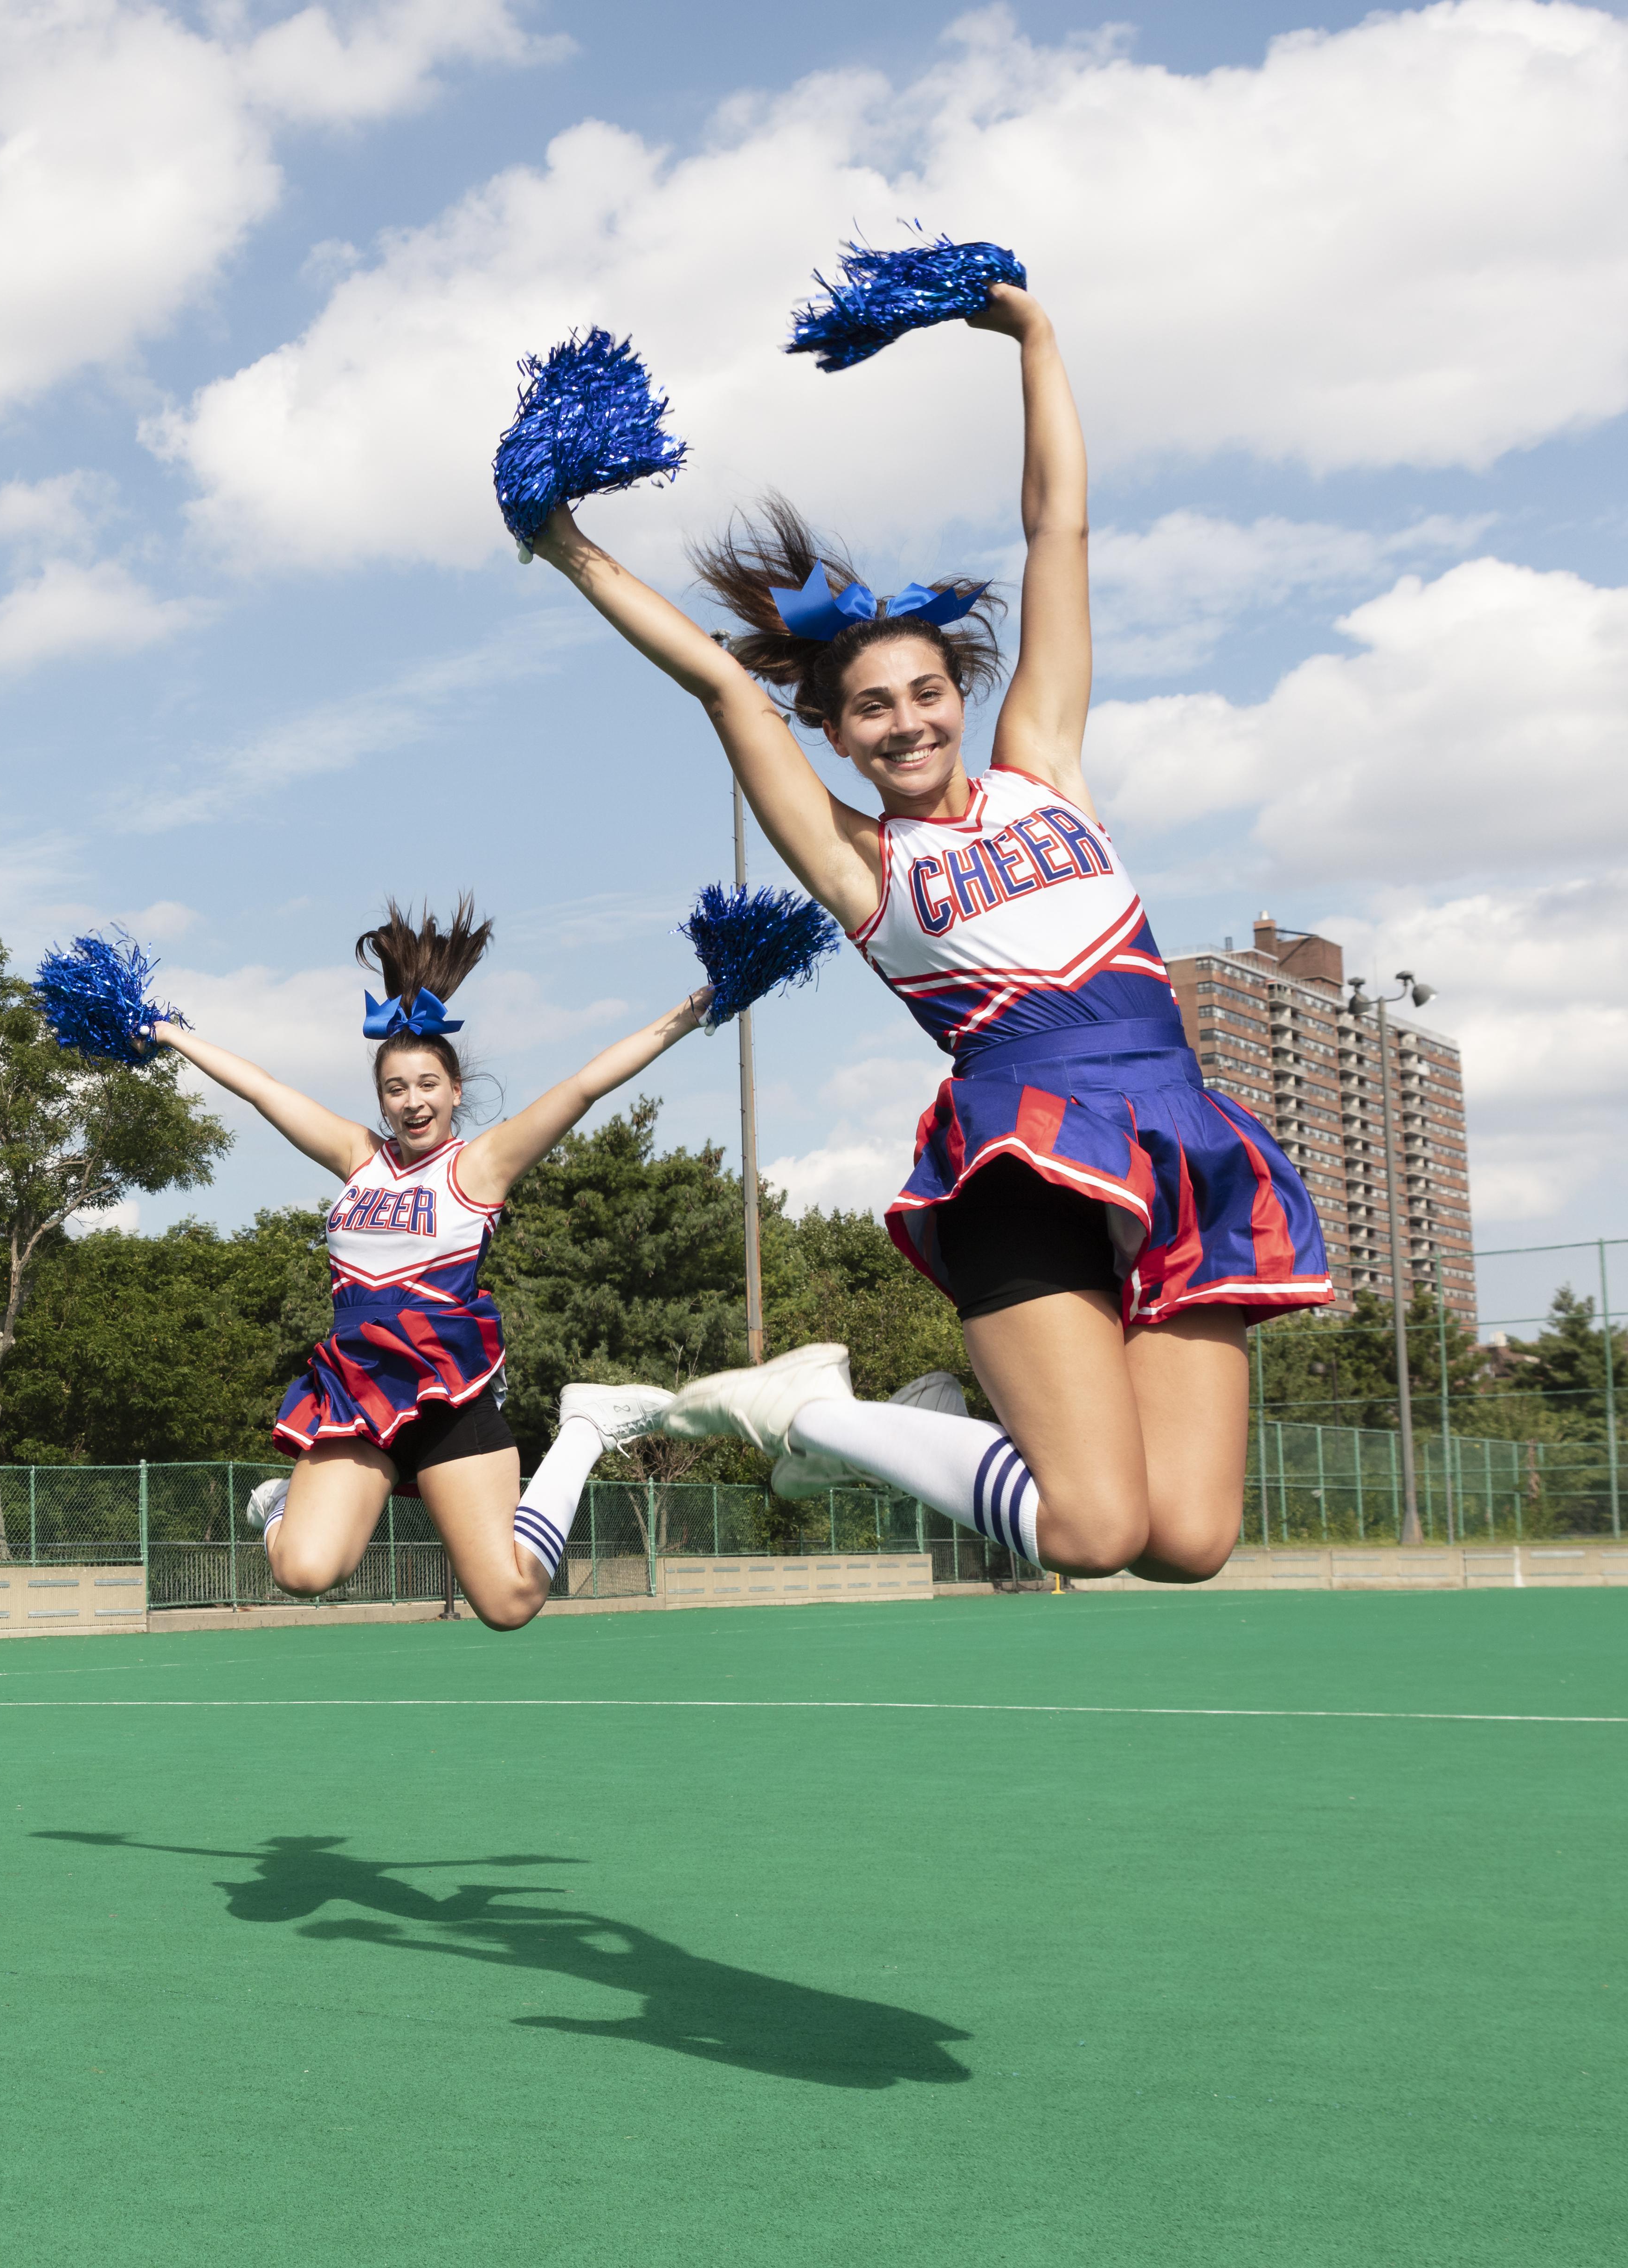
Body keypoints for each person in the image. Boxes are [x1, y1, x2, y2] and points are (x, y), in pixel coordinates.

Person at [525, 279, 1326, 1580]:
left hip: (1182, 1140)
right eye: (871, 710)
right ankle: (815, 1412)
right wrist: (566, 545)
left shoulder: (1044, 770)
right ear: (835, 732)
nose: (907, 722)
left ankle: (917, 1418)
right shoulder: (862, 865)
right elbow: (722, 680)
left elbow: (1056, 526)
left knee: (1188, 1541)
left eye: (926, 692)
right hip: (1024, 1159)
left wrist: (1036, 337)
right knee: (1090, 1530)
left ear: (964, 691)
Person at [154, 901, 707, 1628]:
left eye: (426, 1086)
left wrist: (694, 1010)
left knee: (510, 1603)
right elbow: (262, 1089)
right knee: (301, 1570)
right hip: (356, 1390)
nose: (412, 1103)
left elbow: (585, 1086)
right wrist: (170, 1034)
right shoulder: (358, 1159)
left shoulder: (478, 1167)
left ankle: (585, 1428)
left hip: (447, 1389)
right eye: (395, 1089)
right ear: (381, 1100)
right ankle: (279, 1503)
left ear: (453, 1091)